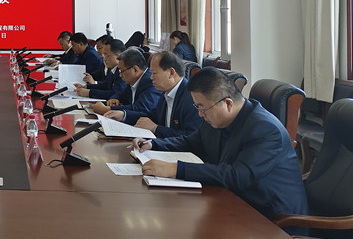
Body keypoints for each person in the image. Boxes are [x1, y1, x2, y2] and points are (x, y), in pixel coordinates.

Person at [132, 67, 308, 222]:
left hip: (272, 221)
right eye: (197, 107)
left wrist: (176, 169)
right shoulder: (218, 118)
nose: (200, 114)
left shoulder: (265, 129)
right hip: (235, 204)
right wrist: (154, 144)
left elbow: (236, 176)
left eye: (202, 108)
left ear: (228, 103)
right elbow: (191, 142)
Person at [131, 51, 201, 138]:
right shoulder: (166, 92)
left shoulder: (192, 98)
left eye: (154, 73)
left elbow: (190, 137)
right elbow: (152, 117)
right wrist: (124, 115)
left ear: (171, 73)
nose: (151, 77)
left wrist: (156, 128)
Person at [90, 47, 162, 118]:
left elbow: (141, 108)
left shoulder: (151, 82)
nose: (120, 75)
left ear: (135, 69)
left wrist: (108, 109)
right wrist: (115, 98)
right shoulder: (132, 81)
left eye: (122, 71)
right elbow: (121, 94)